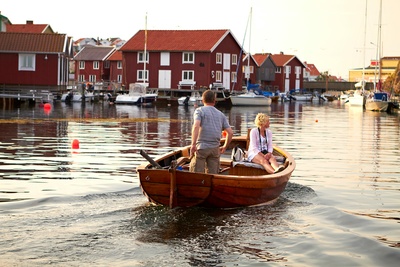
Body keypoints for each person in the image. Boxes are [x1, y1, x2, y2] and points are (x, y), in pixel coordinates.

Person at [189, 90, 233, 174]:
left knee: (196, 175)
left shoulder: (199, 111)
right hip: (215, 149)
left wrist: (193, 144)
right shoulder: (221, 115)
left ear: (202, 100)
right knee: (212, 176)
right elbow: (230, 133)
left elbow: (196, 126)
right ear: (214, 101)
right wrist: (224, 147)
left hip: (201, 148)